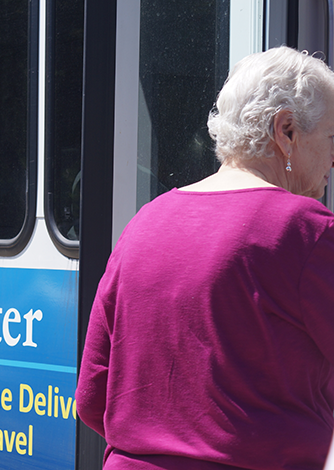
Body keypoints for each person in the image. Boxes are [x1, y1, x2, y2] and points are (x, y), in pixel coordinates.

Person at [76, 46, 334, 469]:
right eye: (331, 138)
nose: (333, 159)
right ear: (286, 130)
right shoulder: (308, 231)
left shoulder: (145, 224)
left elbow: (92, 398)